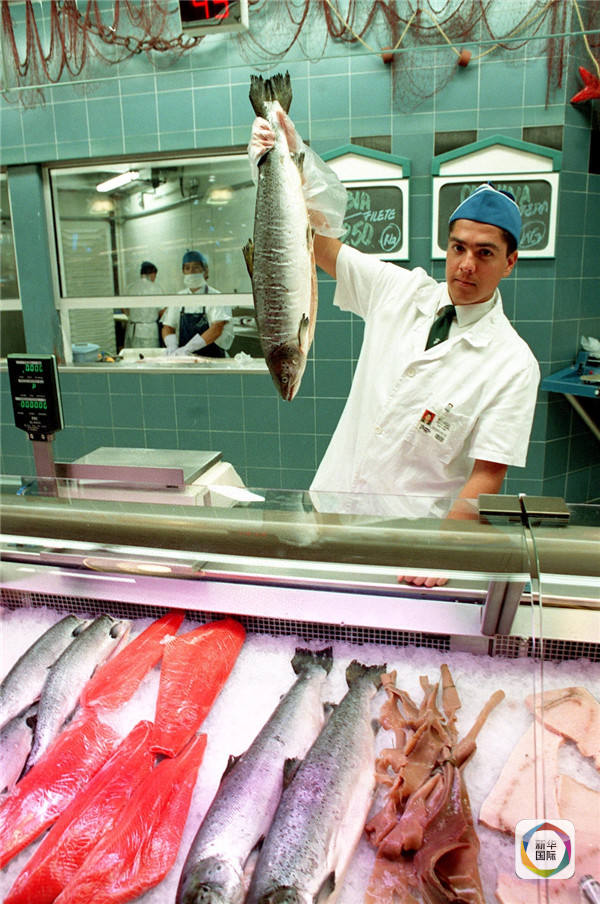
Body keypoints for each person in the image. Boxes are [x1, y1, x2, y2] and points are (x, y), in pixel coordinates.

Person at [248, 115, 541, 534]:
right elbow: (317, 245)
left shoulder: (514, 364)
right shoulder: (399, 290)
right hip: (328, 512)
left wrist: (442, 551)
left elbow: (486, 477)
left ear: (509, 262)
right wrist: (293, 161)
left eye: (485, 253)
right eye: (458, 248)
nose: (466, 265)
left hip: (409, 539)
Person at [161, 250, 234, 357]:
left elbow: (217, 328)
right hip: (185, 359)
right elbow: (168, 326)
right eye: (187, 268)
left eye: (196, 267)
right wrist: (172, 346)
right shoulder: (179, 297)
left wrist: (188, 348)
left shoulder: (216, 296)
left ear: (205, 270)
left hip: (213, 357)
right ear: (183, 272)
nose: (191, 272)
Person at [122, 261, 165, 348]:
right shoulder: (156, 288)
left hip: (132, 331)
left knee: (133, 355)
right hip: (149, 332)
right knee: (149, 355)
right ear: (152, 274)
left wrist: (134, 316)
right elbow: (162, 311)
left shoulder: (130, 287)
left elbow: (123, 308)